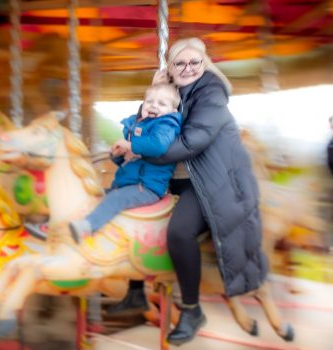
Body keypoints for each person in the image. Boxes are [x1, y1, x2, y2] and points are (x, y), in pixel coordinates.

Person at [107, 37, 268, 346]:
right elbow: (146, 124)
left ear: (205, 64)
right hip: (178, 176)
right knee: (128, 204)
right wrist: (155, 92)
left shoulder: (212, 96)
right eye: (179, 63)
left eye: (194, 62)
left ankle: (192, 310)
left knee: (180, 232)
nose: (187, 68)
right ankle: (137, 292)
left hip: (211, 181)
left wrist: (138, 149)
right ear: (170, 67)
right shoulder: (172, 93)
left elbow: (192, 142)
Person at [68, 83, 182, 242]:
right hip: (127, 183)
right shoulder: (136, 126)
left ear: (173, 111)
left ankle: (87, 226)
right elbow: (129, 159)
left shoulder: (167, 125)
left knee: (116, 199)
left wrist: (130, 145)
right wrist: (118, 155)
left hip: (147, 187)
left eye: (162, 103)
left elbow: (158, 146)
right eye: (149, 101)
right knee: (96, 194)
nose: (154, 105)